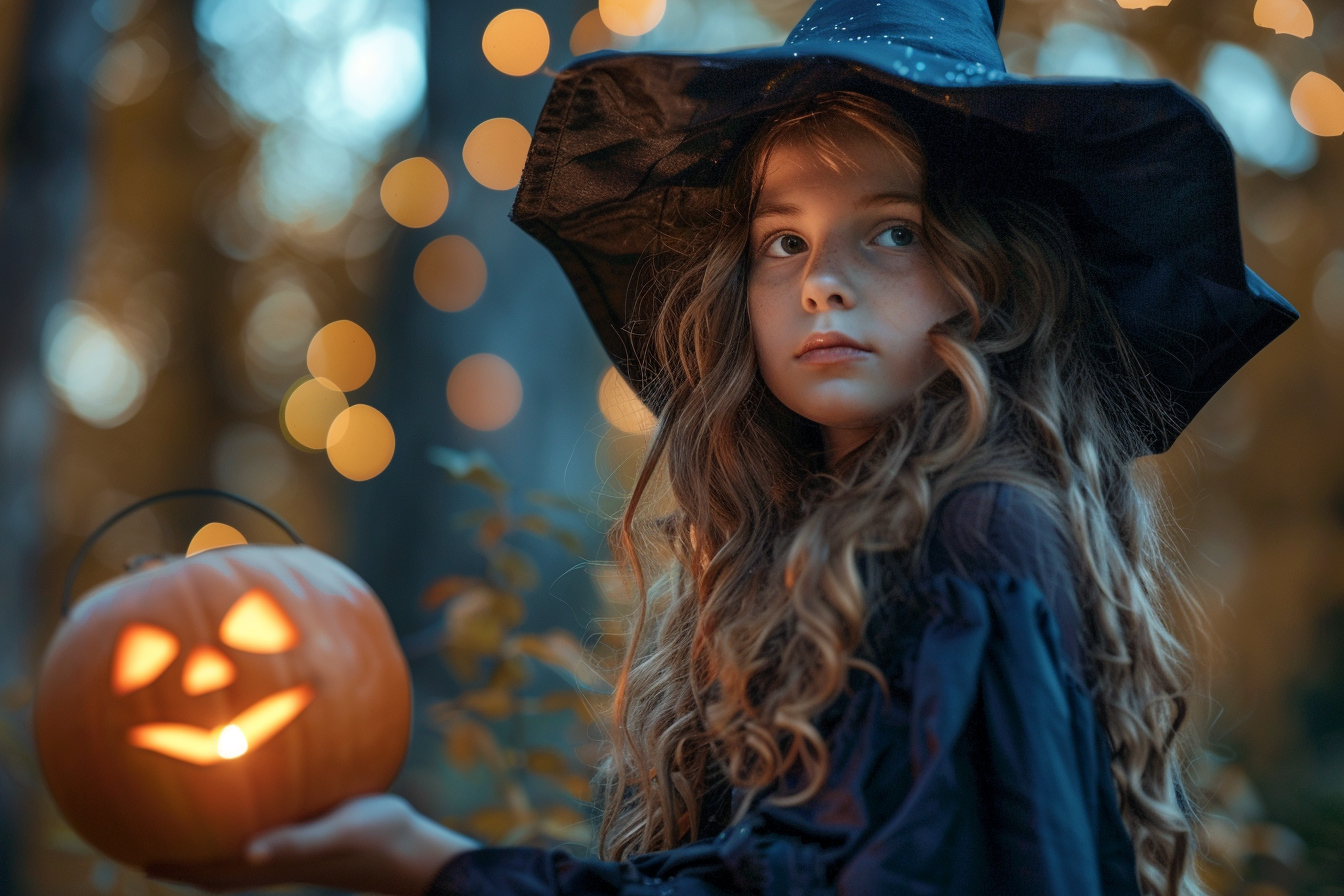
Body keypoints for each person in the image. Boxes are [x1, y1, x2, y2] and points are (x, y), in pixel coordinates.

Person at [154, 1, 1299, 894]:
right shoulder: (793, 548)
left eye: (890, 231)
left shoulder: (982, 532)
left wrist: (431, 864)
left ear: (987, 274)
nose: (822, 282)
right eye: (782, 240)